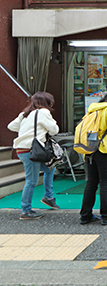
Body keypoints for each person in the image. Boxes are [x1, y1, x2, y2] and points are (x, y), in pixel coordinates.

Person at [8, 92, 60, 220]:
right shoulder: (43, 113)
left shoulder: (25, 113)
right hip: (32, 150)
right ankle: (26, 210)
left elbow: (11, 126)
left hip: (23, 149)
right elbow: (54, 130)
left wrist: (27, 129)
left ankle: (49, 197)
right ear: (48, 103)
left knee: (49, 168)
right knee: (31, 180)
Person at [80, 88, 107, 226]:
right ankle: (106, 215)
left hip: (90, 149)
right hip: (105, 149)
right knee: (106, 183)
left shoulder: (94, 108)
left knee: (91, 183)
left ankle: (85, 215)